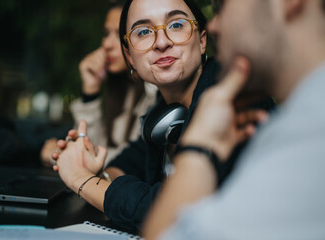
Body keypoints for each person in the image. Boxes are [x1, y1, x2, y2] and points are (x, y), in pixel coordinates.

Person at [143, 0, 325, 239]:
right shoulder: (298, 123)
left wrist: (197, 149)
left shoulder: (310, 137)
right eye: (144, 32)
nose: (215, 26)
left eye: (223, 6)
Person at [52, 0, 220, 231]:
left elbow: (178, 210)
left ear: (202, 41)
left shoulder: (229, 98)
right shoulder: (162, 113)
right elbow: (130, 160)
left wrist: (82, 179)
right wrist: (99, 172)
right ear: (130, 57)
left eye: (176, 25)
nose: (162, 42)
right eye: (143, 31)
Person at [40, 0, 157, 167]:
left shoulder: (157, 92)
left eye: (118, 34)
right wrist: (91, 89)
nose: (106, 44)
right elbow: (95, 148)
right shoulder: (124, 88)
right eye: (106, 33)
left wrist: (64, 156)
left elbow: (132, 166)